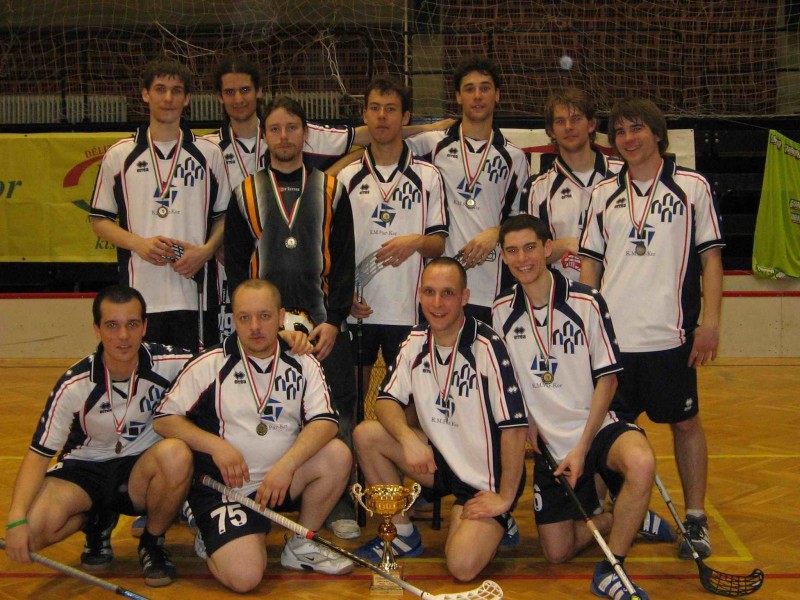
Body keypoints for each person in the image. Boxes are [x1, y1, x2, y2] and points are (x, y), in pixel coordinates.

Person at [494, 215, 677, 600]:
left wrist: (583, 447)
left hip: (597, 426)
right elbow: (508, 381)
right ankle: (626, 516)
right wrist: (529, 423)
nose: (522, 258)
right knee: (556, 553)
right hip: (550, 443)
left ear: (548, 248)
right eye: (512, 251)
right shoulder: (501, 311)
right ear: (504, 257)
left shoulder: (587, 301)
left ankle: (613, 570)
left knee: (641, 462)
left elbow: (608, 380)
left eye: (530, 247)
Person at [579, 98, 724, 560]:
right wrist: (587, 330)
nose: (628, 139)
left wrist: (710, 322)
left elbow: (711, 259)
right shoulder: (602, 194)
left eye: (637, 128)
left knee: (685, 423)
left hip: (670, 338)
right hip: (614, 342)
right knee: (605, 432)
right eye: (620, 132)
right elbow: (590, 266)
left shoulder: (692, 187)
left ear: (657, 133)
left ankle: (695, 518)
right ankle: (616, 512)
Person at [154, 279, 353, 592]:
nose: (255, 327)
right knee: (245, 578)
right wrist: (215, 446)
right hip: (225, 488)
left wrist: (287, 466)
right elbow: (164, 419)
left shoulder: (303, 361)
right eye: (244, 318)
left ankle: (301, 545)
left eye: (264, 316)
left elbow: (326, 422)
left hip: (279, 481)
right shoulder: (210, 363)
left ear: (281, 317)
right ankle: (213, 531)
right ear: (233, 319)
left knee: (337, 455)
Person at [222, 96, 360, 539]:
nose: (284, 137)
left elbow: (344, 261)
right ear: (265, 135)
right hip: (264, 330)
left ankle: (339, 502)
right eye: (275, 129)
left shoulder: (332, 189)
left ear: (305, 133)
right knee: (271, 412)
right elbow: (236, 268)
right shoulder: (245, 192)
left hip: (323, 329)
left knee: (337, 414)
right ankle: (259, 494)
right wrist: (262, 324)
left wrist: (334, 320)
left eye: (292, 128)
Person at [352, 257, 528, 582]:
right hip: (439, 462)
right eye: (429, 292)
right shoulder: (415, 341)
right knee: (367, 435)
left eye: (447, 293)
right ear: (419, 295)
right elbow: (386, 401)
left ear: (464, 297)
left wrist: (504, 497)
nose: (437, 303)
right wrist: (408, 438)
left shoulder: (487, 346)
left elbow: (515, 429)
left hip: (485, 479)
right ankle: (402, 534)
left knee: (461, 566)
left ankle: (501, 519)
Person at [4, 285, 193, 588]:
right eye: (112, 325)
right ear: (97, 329)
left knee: (176, 454)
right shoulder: (74, 384)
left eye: (132, 324)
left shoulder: (171, 362)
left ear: (144, 326)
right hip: (84, 470)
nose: (123, 336)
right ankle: (96, 519)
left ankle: (152, 542)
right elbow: (38, 455)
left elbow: (222, 361)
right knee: (33, 531)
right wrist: (17, 518)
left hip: (139, 470)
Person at [90, 58, 230, 353]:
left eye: (177, 91)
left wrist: (205, 251)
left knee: (195, 376)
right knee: (145, 376)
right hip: (140, 296)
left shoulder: (209, 153)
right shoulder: (119, 155)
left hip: (195, 293)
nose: (168, 98)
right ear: (145, 94)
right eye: (160, 89)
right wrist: (139, 244)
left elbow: (224, 216)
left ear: (187, 98)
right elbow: (99, 220)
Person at [337, 76, 447, 389]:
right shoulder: (346, 177)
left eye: (390, 109)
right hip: (359, 308)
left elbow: (438, 244)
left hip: (408, 311)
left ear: (406, 117)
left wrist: (416, 242)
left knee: (408, 400)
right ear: (365, 115)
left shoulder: (428, 176)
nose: (382, 116)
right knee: (353, 399)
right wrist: (343, 295)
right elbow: (335, 249)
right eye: (375, 108)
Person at [405, 56, 529, 323]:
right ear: (458, 97)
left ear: (497, 95)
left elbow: (523, 220)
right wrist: (429, 126)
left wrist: (498, 232)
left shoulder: (514, 157)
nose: (478, 96)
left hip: (491, 286)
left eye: (485, 88)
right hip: (442, 287)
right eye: (469, 89)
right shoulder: (432, 145)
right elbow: (384, 138)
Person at [519, 88, 623, 282]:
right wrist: (567, 244)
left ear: (591, 124)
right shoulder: (537, 187)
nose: (568, 127)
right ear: (550, 131)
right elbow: (527, 254)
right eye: (560, 121)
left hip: (617, 289)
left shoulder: (623, 174)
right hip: (563, 294)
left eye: (576, 119)